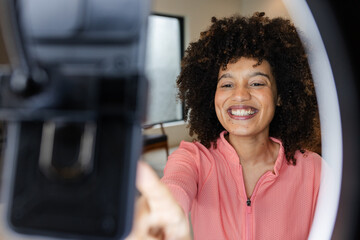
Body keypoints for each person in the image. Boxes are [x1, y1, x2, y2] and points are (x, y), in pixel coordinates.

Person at [127, 12, 322, 240]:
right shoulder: (193, 159)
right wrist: (162, 214)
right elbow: (175, 186)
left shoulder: (315, 171)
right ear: (213, 95)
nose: (240, 95)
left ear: (280, 96)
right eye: (227, 84)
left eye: (257, 82)